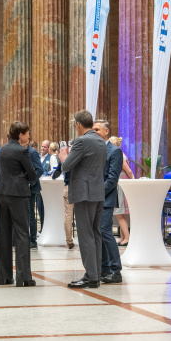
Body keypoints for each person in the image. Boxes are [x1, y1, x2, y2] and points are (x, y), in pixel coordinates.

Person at [58, 111, 106, 288]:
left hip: (84, 193)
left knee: (86, 235)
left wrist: (63, 156)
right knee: (95, 234)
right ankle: (96, 273)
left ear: (78, 124)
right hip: (97, 192)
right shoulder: (100, 140)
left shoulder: (82, 141)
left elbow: (66, 166)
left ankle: (91, 276)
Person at [0, 121, 37, 286]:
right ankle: (23, 277)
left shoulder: (3, 149)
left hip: (2, 191)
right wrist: (24, 177)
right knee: (22, 233)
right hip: (18, 194)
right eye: (27, 133)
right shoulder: (22, 151)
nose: (28, 136)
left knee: (3, 233)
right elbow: (32, 175)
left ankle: (3, 276)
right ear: (20, 134)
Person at [93, 120, 123, 284]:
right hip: (94, 198)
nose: (94, 132)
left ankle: (115, 270)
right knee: (98, 232)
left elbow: (112, 179)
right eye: (93, 129)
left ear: (106, 131)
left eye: (97, 129)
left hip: (106, 198)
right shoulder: (95, 150)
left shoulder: (114, 152)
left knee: (105, 231)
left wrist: (98, 192)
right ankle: (104, 268)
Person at [108, 136, 134, 245]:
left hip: (121, 184)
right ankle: (123, 237)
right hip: (119, 183)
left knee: (119, 213)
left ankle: (127, 237)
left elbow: (128, 171)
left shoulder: (120, 155)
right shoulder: (118, 155)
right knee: (121, 214)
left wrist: (132, 182)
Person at [27, 141, 44, 248]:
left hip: (30, 189)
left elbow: (39, 170)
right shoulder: (20, 151)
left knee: (30, 215)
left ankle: (33, 240)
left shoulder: (32, 152)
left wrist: (30, 182)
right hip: (19, 189)